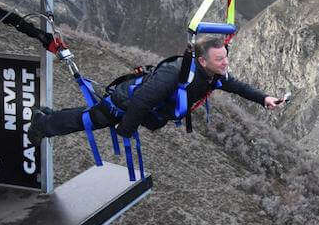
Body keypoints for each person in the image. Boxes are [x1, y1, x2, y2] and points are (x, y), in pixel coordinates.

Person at [28, 36, 286, 145]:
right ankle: (42, 124)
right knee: (91, 120)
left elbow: (237, 86)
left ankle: (49, 117)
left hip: (142, 106)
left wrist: (264, 98)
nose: (226, 63)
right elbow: (141, 101)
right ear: (203, 60)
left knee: (90, 117)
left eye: (225, 58)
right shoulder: (175, 73)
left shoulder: (211, 74)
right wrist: (125, 131)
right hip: (125, 102)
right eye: (220, 59)